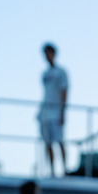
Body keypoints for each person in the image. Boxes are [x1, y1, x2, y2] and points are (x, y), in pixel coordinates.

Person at [37, 43, 69, 176]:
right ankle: (52, 171)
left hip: (56, 111)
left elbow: (64, 91)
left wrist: (62, 111)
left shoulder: (61, 72)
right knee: (48, 142)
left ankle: (65, 169)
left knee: (59, 140)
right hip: (45, 111)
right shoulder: (45, 73)